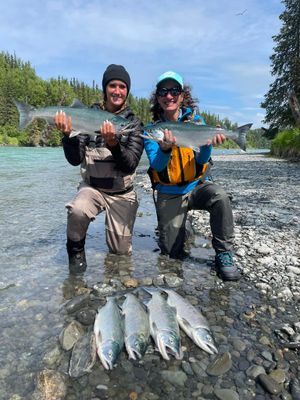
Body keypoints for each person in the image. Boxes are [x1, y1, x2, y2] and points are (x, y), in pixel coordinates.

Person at [143, 71, 240, 281]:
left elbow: (202, 161)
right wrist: (166, 148)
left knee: (220, 196)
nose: (169, 95)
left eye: (174, 91)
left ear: (182, 95)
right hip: (169, 193)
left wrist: (206, 146)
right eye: (163, 91)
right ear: (157, 97)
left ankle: (223, 253)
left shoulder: (197, 122)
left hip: (196, 187)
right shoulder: (152, 131)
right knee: (171, 253)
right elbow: (158, 165)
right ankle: (183, 225)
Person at [55, 64, 144, 274]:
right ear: (105, 88)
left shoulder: (132, 124)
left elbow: (130, 163)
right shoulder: (88, 116)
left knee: (120, 254)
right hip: (92, 188)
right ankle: (76, 254)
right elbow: (75, 160)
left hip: (121, 192)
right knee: (77, 209)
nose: (117, 91)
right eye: (112, 85)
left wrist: (113, 144)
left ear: (127, 91)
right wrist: (68, 136)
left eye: (122, 87)